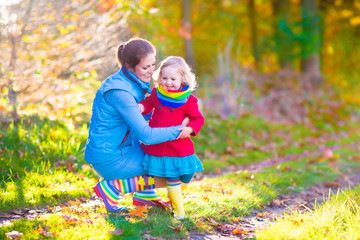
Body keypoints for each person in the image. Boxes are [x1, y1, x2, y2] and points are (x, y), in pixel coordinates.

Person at [84, 38, 189, 212]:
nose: (151, 72)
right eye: (145, 68)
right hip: (111, 157)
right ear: (129, 66)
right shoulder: (119, 92)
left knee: (169, 157)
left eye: (153, 65)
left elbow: (147, 116)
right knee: (178, 169)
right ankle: (113, 188)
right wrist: (178, 131)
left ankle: (145, 194)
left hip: (126, 148)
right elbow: (146, 134)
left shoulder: (134, 83)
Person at [138, 56, 205, 219]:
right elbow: (148, 104)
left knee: (184, 176)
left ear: (183, 79)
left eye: (173, 79)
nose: (168, 82)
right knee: (167, 177)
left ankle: (169, 200)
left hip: (178, 147)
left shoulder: (188, 99)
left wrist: (189, 129)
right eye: (164, 78)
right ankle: (178, 212)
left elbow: (198, 118)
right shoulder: (157, 94)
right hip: (158, 145)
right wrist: (141, 106)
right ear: (159, 78)